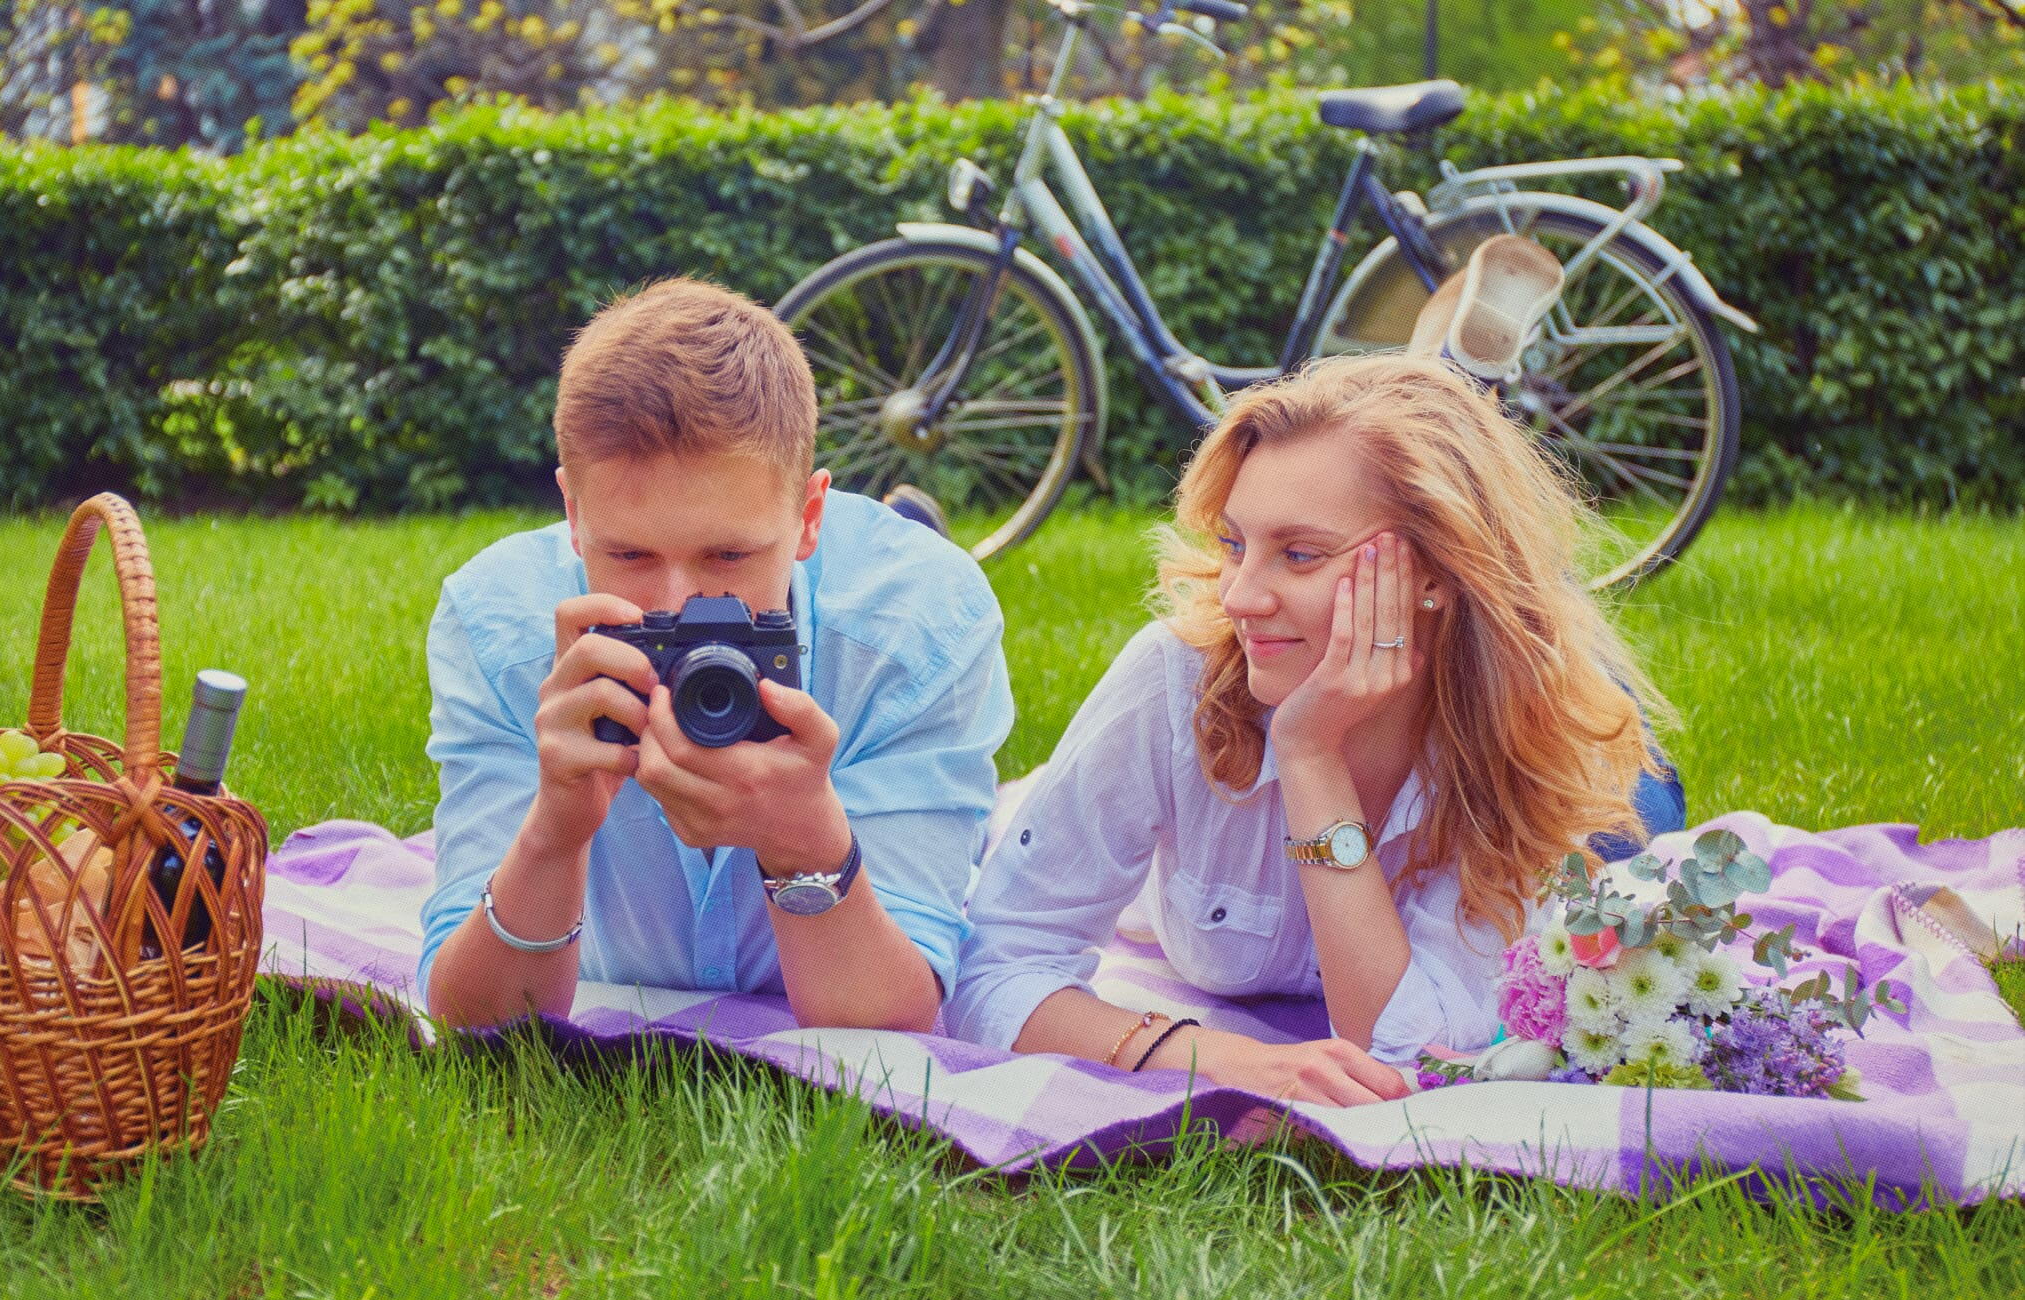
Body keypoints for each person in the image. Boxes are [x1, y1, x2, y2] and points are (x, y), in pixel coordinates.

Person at [946, 355, 1676, 1106]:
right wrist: (1203, 1056)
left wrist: (1310, 753)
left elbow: (1408, 1058)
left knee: (1636, 819)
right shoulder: (1170, 684)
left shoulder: (1520, 751)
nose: (1239, 596)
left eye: (1299, 553)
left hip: (1503, 690)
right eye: (1234, 544)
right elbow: (995, 966)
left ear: (1433, 571)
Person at [419, 277, 1012, 1033]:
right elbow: (472, 1021)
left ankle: (897, 530)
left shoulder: (919, 628)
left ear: (808, 516)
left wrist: (804, 839)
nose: (675, 603)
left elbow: (889, 1030)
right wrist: (553, 831)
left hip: (872, 608)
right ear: (572, 513)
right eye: (629, 553)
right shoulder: (500, 626)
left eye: (728, 553)